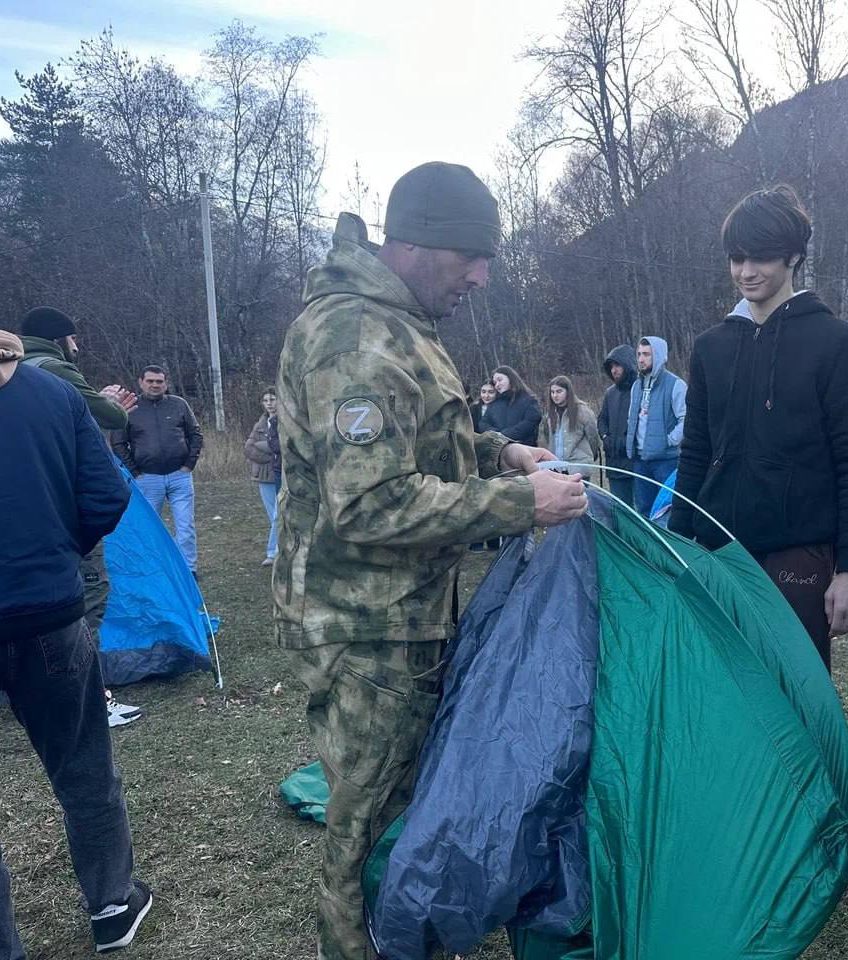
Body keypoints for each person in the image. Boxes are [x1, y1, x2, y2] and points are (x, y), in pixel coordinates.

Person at [273, 161, 587, 960]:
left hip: (401, 619)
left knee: (407, 810)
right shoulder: (356, 335)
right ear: (414, 243)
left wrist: (501, 451)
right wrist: (520, 505)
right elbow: (371, 502)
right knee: (368, 831)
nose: (481, 276)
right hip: (365, 630)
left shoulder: (401, 325)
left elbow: (424, 441)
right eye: (470, 256)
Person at [0, 326, 152, 958]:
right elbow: (107, 493)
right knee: (84, 770)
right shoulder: (53, 393)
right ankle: (112, 903)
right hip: (51, 615)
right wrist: (58, 553)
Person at [669, 185, 848, 671]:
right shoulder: (711, 348)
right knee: (727, 686)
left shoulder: (835, 342)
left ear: (793, 256)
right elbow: (695, 452)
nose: (746, 271)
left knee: (794, 687)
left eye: (761, 257)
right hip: (719, 550)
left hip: (799, 555)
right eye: (736, 258)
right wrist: (676, 546)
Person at [18, 305, 144, 729]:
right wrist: (109, 402)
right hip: (66, 507)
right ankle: (92, 700)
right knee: (88, 595)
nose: (77, 345)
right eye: (73, 338)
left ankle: (39, 692)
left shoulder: (5, 372)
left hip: (25, 511)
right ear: (59, 339)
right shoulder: (54, 368)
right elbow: (112, 417)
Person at [111, 365, 204, 575]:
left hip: (179, 476)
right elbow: (118, 443)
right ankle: (154, 570)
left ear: (166, 383)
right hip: (147, 478)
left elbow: (195, 435)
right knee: (149, 528)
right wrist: (135, 472)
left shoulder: (179, 405)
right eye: (150, 381)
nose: (155, 385)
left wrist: (189, 465)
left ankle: (188, 570)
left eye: (159, 381)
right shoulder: (130, 408)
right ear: (141, 382)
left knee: (185, 527)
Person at [625, 335, 687, 514]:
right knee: (644, 511)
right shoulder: (636, 386)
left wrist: (668, 441)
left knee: (666, 510)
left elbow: (686, 419)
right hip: (640, 460)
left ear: (658, 356)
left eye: (646, 354)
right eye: (639, 354)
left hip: (665, 461)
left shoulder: (676, 385)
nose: (641, 359)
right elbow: (631, 419)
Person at [597, 344, 638, 504]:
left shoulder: (640, 390)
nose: (614, 370)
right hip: (613, 461)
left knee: (640, 510)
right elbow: (602, 419)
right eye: (611, 366)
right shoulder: (610, 393)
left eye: (617, 365)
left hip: (635, 462)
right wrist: (605, 436)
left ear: (627, 364)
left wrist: (628, 441)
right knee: (619, 508)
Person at [244, 388, 280, 567]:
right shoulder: (260, 424)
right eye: (266, 400)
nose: (269, 403)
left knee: (278, 515)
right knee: (273, 516)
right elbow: (249, 448)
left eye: (272, 399)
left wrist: (269, 448)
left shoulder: (285, 421)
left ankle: (272, 552)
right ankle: (280, 549)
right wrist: (272, 455)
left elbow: (283, 447)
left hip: (282, 474)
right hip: (264, 476)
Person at [539, 376, 602, 465]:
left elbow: (593, 437)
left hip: (578, 465)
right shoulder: (550, 414)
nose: (555, 395)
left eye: (559, 391)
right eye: (552, 392)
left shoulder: (583, 411)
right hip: (556, 465)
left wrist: (590, 456)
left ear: (568, 391)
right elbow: (547, 438)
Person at [483, 365, 541, 445]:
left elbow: (530, 423)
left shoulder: (529, 400)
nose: (497, 385)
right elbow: (484, 423)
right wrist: (495, 434)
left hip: (525, 449)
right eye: (495, 383)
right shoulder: (494, 404)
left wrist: (503, 435)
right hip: (499, 449)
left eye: (500, 380)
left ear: (511, 378)